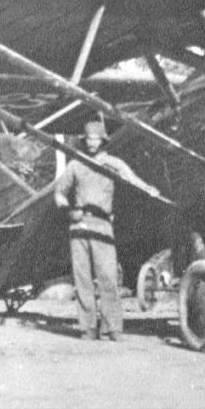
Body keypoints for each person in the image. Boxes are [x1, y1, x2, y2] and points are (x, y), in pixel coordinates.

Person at [53, 120, 137, 341]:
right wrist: (68, 209)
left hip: (103, 227)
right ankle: (87, 327)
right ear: (84, 140)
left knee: (108, 277)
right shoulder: (75, 166)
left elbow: (133, 180)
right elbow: (59, 193)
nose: (91, 142)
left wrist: (150, 189)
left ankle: (112, 327)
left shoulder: (113, 164)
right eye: (88, 138)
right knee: (82, 279)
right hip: (79, 227)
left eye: (95, 138)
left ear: (103, 140)